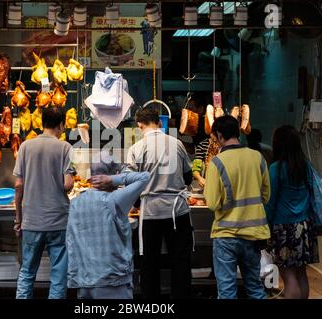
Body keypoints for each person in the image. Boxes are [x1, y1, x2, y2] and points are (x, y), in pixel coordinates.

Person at [126, 107, 194, 299]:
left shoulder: (136, 148)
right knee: (180, 262)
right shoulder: (177, 144)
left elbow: (132, 185)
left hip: (151, 213)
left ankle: (152, 304)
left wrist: (135, 205)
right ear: (160, 122)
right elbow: (188, 177)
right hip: (177, 212)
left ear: (140, 126)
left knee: (149, 263)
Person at [204, 115, 271, 299]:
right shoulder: (257, 158)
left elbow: (212, 202)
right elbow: (266, 195)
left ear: (219, 135)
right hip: (254, 234)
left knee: (227, 291)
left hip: (226, 235)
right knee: (255, 288)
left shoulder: (217, 162)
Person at [66, 151, 150, 299]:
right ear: (112, 175)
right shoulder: (114, 200)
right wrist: (114, 179)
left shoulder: (75, 203)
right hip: (112, 282)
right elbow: (145, 177)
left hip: (84, 282)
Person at [13, 107, 75, 299]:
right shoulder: (65, 147)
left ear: (41, 123)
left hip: (31, 221)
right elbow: (67, 185)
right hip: (58, 222)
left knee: (27, 273)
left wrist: (18, 219)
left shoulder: (25, 146)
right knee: (58, 276)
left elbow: (18, 185)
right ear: (61, 125)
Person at [265, 125, 319, 299]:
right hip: (306, 226)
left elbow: (270, 201)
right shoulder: (306, 166)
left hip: (284, 228)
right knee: (302, 274)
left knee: (289, 278)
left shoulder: (276, 168)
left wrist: (265, 224)